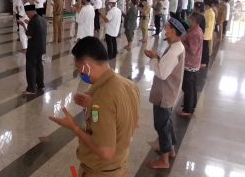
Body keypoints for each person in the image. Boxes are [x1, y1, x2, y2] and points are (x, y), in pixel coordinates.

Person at [49, 36, 140, 176]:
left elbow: (106, 152)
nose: (80, 73)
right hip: (120, 165)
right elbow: (130, 122)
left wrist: (74, 127)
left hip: (101, 172)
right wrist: (91, 104)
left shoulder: (102, 97)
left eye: (79, 69)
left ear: (86, 65)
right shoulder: (129, 85)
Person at [144, 17, 186, 169]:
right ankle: (170, 150)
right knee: (166, 123)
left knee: (161, 126)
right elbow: (167, 66)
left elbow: (162, 73)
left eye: (167, 27)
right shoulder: (176, 46)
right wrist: (157, 58)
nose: (164, 29)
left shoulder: (175, 50)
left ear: (173, 31)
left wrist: (154, 58)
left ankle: (164, 160)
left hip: (165, 94)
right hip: (169, 92)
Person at [18, 4, 47, 95]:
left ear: (30, 12)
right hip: (41, 47)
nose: (27, 15)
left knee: (30, 67)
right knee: (39, 66)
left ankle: (31, 89)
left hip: (33, 48)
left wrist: (23, 25)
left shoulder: (33, 21)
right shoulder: (42, 19)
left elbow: (29, 35)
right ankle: (41, 85)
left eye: (27, 13)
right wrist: (28, 23)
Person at [178, 13, 204, 117]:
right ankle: (191, 105)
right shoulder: (196, 29)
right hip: (194, 63)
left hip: (190, 63)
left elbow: (192, 50)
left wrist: (181, 42)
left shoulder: (195, 33)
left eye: (189, 18)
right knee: (192, 86)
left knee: (187, 86)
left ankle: (187, 109)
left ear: (194, 20)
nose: (187, 19)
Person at [201, 0, 215, 68]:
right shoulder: (210, 11)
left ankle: (204, 62)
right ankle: (205, 61)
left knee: (204, 48)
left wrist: (201, 24)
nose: (204, 6)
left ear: (207, 5)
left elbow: (207, 24)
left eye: (205, 5)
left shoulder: (209, 13)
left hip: (206, 33)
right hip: (207, 33)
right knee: (205, 47)